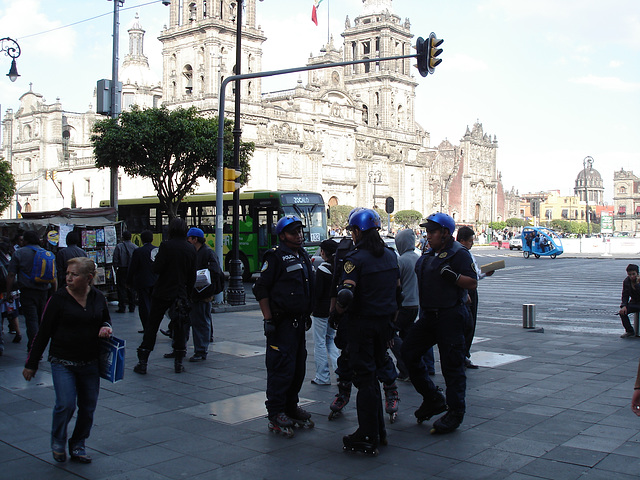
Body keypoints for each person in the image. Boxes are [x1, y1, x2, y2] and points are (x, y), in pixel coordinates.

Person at [23, 257, 112, 464]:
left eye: (75, 274)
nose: (69, 278)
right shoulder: (58, 299)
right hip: (63, 361)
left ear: (88, 278)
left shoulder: (98, 297)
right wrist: (31, 363)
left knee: (88, 407)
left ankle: (78, 443)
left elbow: (105, 318)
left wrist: (106, 326)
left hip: (90, 362)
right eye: (68, 274)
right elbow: (43, 332)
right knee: (65, 404)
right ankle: (58, 439)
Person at [401, 213, 477, 434]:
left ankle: (455, 412)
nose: (428, 235)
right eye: (427, 231)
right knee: (408, 352)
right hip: (429, 315)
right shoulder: (429, 252)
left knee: (452, 366)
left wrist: (453, 277)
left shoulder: (459, 253)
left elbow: (472, 282)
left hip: (450, 316)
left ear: (445, 233)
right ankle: (432, 397)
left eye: (432, 231)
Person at [336, 208, 400, 455]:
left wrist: (337, 313)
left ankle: (366, 434)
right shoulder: (389, 256)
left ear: (356, 231)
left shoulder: (355, 259)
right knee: (375, 373)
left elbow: (346, 293)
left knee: (364, 378)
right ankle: (379, 430)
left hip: (362, 325)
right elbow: (397, 291)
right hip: (384, 324)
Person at [254, 215, 315, 437]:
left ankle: (291, 406)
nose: (298, 235)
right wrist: (268, 319)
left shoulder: (303, 255)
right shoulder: (275, 256)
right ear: (282, 235)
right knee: (281, 368)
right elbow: (261, 289)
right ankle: (275, 411)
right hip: (281, 324)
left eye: (299, 231)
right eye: (293, 232)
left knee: (298, 368)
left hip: (299, 324)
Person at [133, 218, 196, 375]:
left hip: (162, 292)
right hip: (180, 293)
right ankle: (179, 362)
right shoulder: (190, 249)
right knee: (180, 327)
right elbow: (192, 276)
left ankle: (143, 361)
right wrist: (187, 294)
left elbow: (157, 268)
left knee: (152, 325)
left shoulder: (166, 246)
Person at [6, 230, 57, 352]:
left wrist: (8, 292)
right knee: (41, 319)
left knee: (31, 320)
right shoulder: (47, 253)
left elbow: (11, 274)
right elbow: (54, 277)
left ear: (26, 240)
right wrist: (54, 294)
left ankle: (34, 348)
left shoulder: (19, 253)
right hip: (44, 291)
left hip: (27, 291)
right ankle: (40, 345)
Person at [456, 226, 494, 369]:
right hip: (466, 292)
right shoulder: (462, 254)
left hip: (469, 290)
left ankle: (464, 355)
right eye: (470, 241)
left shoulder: (466, 253)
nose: (472, 243)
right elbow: (472, 275)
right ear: (462, 240)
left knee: (469, 325)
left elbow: (475, 273)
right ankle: (462, 355)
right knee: (468, 325)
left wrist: (485, 273)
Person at [186, 227, 222, 362]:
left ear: (195, 239)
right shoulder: (195, 252)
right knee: (197, 321)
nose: (188, 241)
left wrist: (200, 278)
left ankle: (201, 350)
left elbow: (215, 272)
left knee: (201, 321)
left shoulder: (207, 253)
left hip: (203, 293)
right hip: (194, 292)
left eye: (189, 238)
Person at [310, 238, 340, 385]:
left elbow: (318, 292)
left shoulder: (322, 269)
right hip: (333, 310)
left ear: (323, 252)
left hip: (321, 311)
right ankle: (339, 371)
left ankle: (322, 376)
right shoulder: (337, 268)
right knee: (331, 340)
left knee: (320, 342)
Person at [126, 230, 158, 334]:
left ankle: (147, 326)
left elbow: (133, 267)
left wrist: (129, 281)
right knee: (154, 305)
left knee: (144, 305)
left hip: (143, 281)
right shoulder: (157, 250)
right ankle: (153, 325)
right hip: (155, 281)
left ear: (141, 239)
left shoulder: (138, 251)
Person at [112, 231, 137, 313]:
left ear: (123, 237)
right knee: (131, 288)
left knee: (121, 288)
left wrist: (115, 267)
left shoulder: (119, 246)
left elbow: (115, 259)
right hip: (132, 269)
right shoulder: (135, 247)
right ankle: (132, 306)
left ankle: (122, 307)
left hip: (122, 269)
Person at [618, 264, 640, 338]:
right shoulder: (627, 281)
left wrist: (637, 284)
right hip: (634, 302)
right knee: (622, 312)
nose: (631, 276)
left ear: (637, 273)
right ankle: (629, 331)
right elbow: (625, 295)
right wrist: (624, 306)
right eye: (629, 274)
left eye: (633, 274)